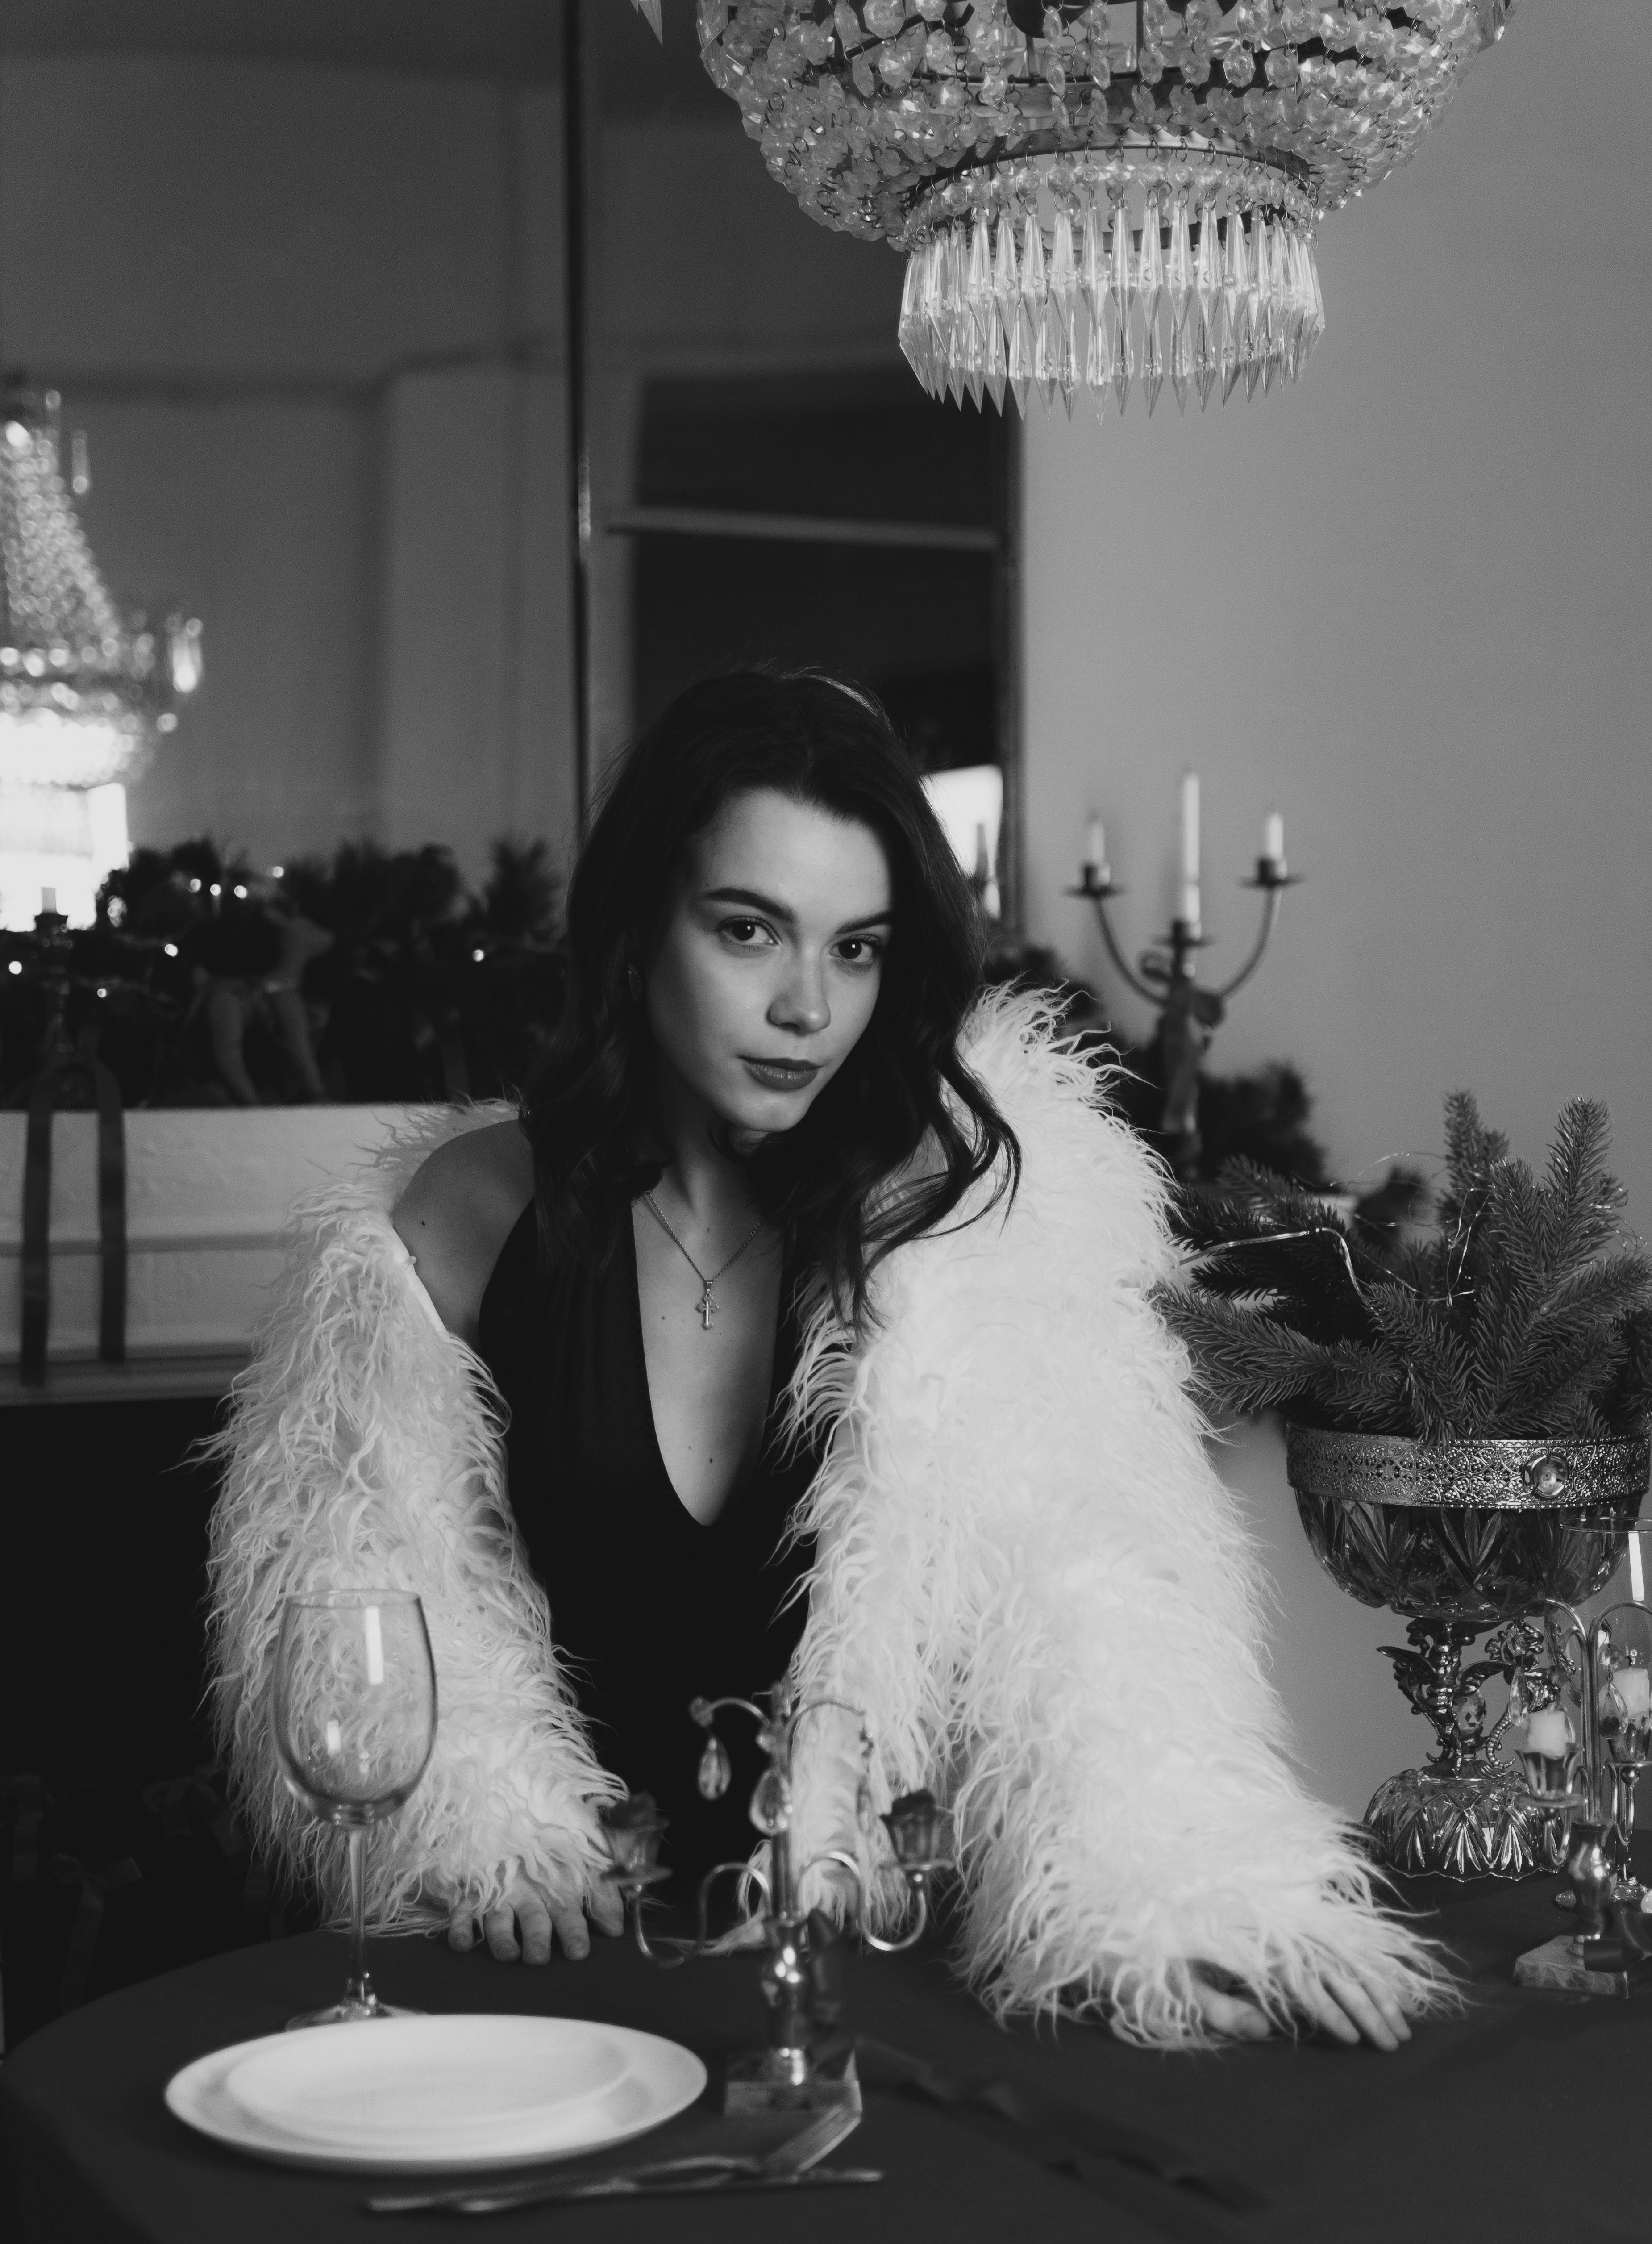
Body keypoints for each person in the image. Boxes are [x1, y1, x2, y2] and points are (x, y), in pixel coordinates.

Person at [208, 667, 1443, 2049]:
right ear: (635, 929)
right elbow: (363, 1608)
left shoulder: (966, 1232)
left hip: (873, 1970)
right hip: (574, 1968)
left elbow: (1096, 1623)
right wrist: (478, 1832)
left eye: (856, 949)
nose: (809, 1005)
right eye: (751, 930)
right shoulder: (464, 1219)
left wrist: (1191, 1893)